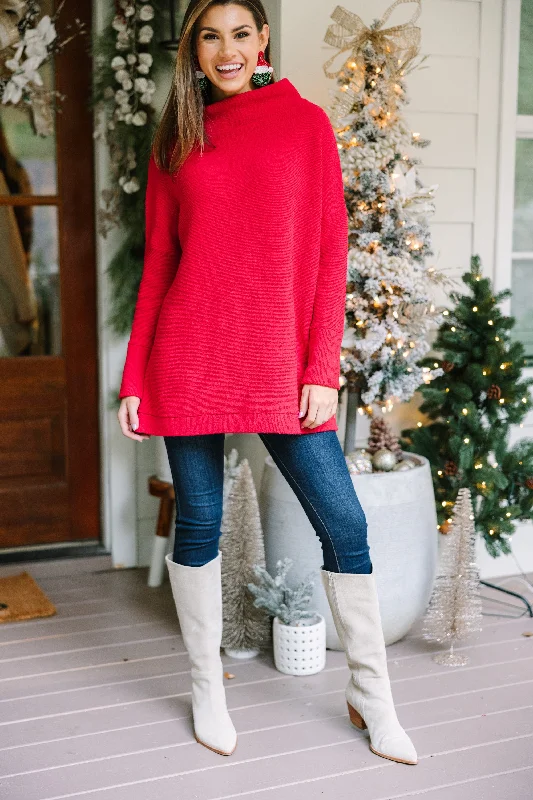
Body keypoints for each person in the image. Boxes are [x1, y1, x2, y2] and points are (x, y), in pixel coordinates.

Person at [117, 0, 417, 767]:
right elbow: (159, 267)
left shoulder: (303, 124)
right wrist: (134, 377)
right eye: (209, 36)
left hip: (280, 365)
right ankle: (205, 686)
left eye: (239, 34)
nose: (225, 50)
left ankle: (371, 697)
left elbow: (328, 251)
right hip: (187, 357)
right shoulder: (177, 138)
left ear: (262, 41)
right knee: (199, 527)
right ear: (194, 47)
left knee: (344, 525)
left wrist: (320, 369)